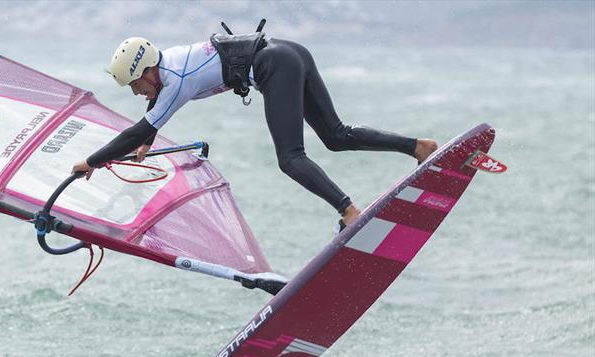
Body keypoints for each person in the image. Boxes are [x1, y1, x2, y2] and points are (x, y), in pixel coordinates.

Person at [72, 28, 437, 233]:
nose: (137, 92)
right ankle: (417, 148)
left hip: (273, 66)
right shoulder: (169, 61)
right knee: (336, 136)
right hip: (289, 52)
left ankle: (349, 211)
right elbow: (153, 113)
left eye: (136, 84)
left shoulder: (176, 79)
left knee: (290, 158)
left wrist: (92, 161)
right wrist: (148, 136)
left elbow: (137, 130)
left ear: (149, 70)